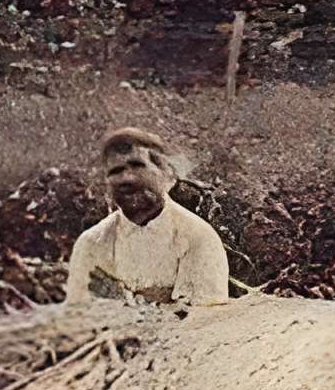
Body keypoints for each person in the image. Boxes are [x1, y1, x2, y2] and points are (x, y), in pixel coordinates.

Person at [64, 127, 231, 308]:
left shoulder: (198, 238)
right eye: (115, 171)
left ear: (165, 172)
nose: (126, 178)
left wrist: (121, 300)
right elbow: (79, 315)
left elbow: (202, 321)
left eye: (137, 165)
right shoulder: (91, 243)